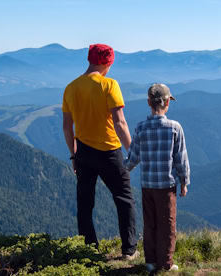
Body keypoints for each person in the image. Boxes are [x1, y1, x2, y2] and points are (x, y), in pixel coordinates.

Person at [62, 43, 138, 260]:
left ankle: (89, 250)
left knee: (85, 203)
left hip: (84, 151)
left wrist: (74, 154)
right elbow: (120, 122)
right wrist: (132, 150)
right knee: (124, 199)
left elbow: (67, 127)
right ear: (107, 62)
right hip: (109, 151)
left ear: (89, 59)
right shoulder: (109, 85)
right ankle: (129, 250)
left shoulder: (71, 87)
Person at [125, 83, 190, 272]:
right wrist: (184, 182)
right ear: (168, 102)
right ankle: (166, 264)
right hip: (166, 185)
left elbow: (133, 158)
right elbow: (181, 159)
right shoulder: (174, 128)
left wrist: (121, 169)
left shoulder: (140, 128)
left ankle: (150, 261)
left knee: (150, 223)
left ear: (148, 102)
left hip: (147, 185)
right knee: (167, 225)